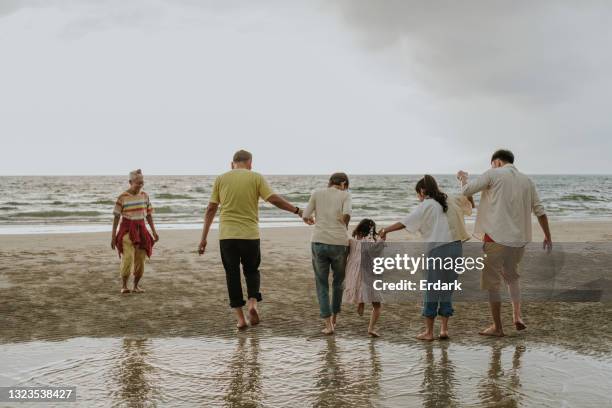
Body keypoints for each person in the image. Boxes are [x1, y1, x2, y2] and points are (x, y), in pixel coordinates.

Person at [198, 150, 304, 329]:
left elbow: (210, 209)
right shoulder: (256, 177)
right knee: (252, 270)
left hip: (227, 236)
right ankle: (253, 303)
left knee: (232, 275)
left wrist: (203, 238)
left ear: (231, 163)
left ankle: (240, 319)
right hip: (250, 235)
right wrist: (297, 211)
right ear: (250, 163)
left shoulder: (221, 179)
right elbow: (273, 199)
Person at [457, 149, 552, 337]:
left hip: (495, 238)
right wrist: (547, 236)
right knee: (512, 277)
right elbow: (540, 211)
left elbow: (467, 191)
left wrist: (462, 178)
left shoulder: (493, 173)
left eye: (491, 164)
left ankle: (497, 327)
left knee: (492, 283)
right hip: (518, 240)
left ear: (497, 162)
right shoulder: (527, 181)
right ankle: (517, 316)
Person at [379, 175, 473, 341]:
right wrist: (464, 182)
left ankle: (429, 332)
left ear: (423, 191)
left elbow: (405, 222)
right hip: (456, 248)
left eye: (418, 193)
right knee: (447, 289)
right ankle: (444, 330)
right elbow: (469, 201)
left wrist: (385, 230)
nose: (418, 197)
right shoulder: (450, 198)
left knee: (432, 290)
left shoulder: (427, 204)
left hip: (438, 250)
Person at [302, 172, 352, 335]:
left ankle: (328, 325)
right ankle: (335, 319)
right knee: (338, 282)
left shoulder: (317, 193)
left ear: (330, 182)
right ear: (344, 183)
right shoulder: (345, 195)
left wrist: (310, 220)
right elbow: (346, 216)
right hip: (339, 244)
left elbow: (305, 215)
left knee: (321, 284)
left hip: (319, 242)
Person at [111, 169, 159, 294]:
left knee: (140, 259)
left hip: (142, 230)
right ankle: (124, 286)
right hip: (127, 230)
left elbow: (148, 215)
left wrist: (154, 231)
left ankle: (136, 286)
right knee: (128, 257)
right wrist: (113, 237)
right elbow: (116, 217)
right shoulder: (122, 197)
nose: (140, 185)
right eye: (138, 183)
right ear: (130, 182)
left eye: (142, 182)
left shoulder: (145, 196)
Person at [343, 218, 383, 337]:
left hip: (354, 271)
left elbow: (345, 254)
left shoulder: (351, 240)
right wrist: (382, 240)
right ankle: (370, 328)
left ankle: (361, 302)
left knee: (360, 287)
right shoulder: (371, 241)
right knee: (377, 304)